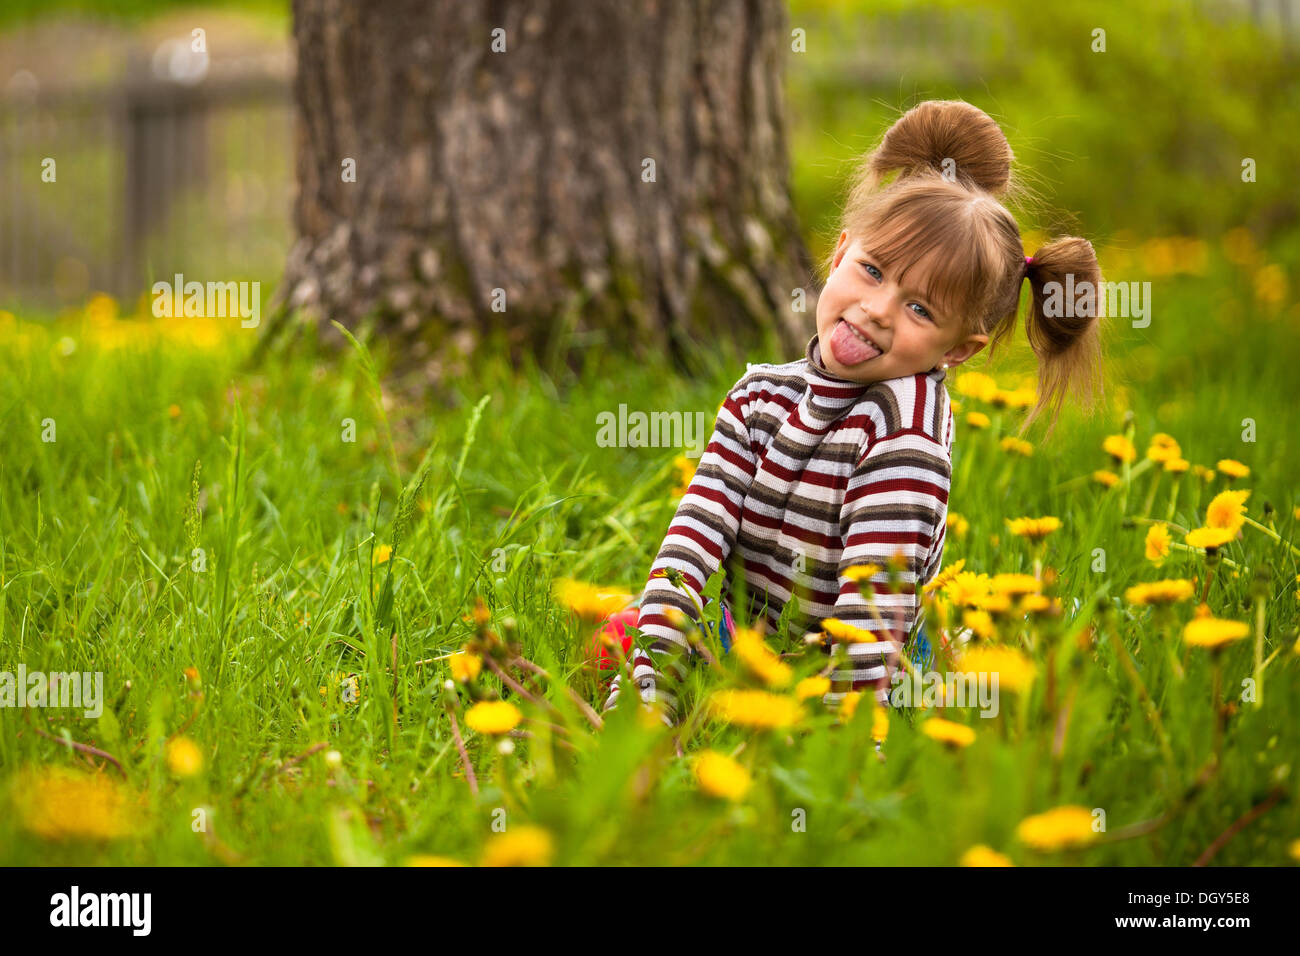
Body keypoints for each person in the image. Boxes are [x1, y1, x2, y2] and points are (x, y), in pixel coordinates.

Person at [601, 99, 1105, 727]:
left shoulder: (905, 437)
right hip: (749, 644)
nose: (877, 309)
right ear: (838, 254)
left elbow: (870, 623)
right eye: (871, 271)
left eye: (921, 309)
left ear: (958, 350)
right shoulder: (760, 397)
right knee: (629, 632)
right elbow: (691, 545)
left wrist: (840, 751)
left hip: (857, 668)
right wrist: (648, 703)